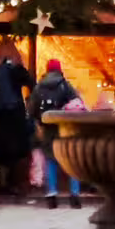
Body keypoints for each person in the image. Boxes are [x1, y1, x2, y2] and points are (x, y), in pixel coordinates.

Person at [0, 40, 33, 198]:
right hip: (13, 116)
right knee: (15, 153)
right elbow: (31, 83)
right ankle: (13, 184)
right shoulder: (14, 70)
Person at [31, 59, 84, 208]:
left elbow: (32, 109)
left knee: (50, 161)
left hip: (47, 129)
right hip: (65, 128)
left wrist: (38, 125)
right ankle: (74, 195)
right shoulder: (65, 86)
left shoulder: (39, 87)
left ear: (47, 70)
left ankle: (52, 196)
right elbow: (77, 104)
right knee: (71, 160)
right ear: (59, 70)